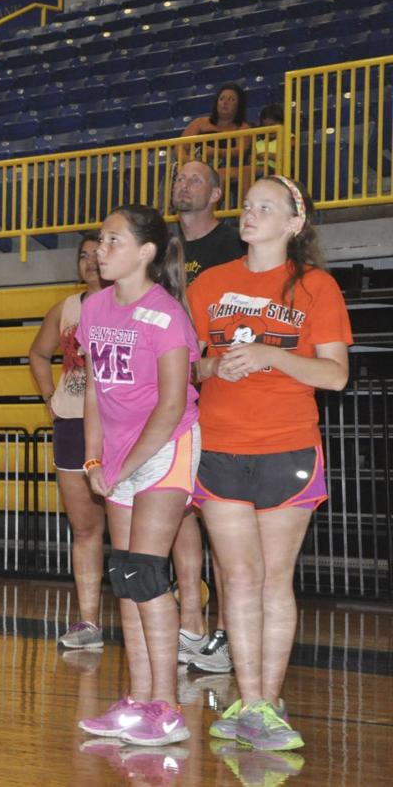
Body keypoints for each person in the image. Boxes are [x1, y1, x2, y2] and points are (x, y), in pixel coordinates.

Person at [189, 176, 351, 751]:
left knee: (272, 580)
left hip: (286, 446)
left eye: (266, 207)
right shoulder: (209, 283)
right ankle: (248, 698)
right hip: (220, 447)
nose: (250, 214)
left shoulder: (316, 287)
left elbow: (335, 374)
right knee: (237, 578)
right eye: (248, 205)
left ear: (293, 224)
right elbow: (188, 366)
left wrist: (268, 357)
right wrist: (214, 369)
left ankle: (265, 701)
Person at [75, 205, 201, 747]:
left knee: (147, 574)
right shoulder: (94, 308)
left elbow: (172, 405)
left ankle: (167, 707)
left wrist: (126, 465)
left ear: (146, 252)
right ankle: (137, 699)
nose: (101, 250)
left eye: (112, 241)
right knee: (125, 579)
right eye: (100, 240)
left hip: (165, 447)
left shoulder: (166, 314)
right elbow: (96, 395)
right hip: (119, 455)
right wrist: (95, 460)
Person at [170, 157, 245, 674]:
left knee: (222, 518)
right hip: (175, 383)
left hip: (219, 389)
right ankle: (192, 625)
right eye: (178, 177)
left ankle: (224, 631)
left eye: (195, 178)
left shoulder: (232, 246)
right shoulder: (164, 247)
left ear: (217, 194)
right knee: (178, 510)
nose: (183, 183)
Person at [28, 232, 108, 649]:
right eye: (84, 255)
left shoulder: (137, 304)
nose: (91, 261)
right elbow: (38, 353)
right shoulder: (67, 308)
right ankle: (88, 622)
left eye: (99, 253)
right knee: (84, 528)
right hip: (74, 421)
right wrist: (50, 398)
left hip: (122, 425)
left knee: (138, 532)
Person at [181, 83, 252, 190]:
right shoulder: (200, 122)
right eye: (221, 98)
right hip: (196, 162)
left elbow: (240, 150)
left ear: (239, 105)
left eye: (231, 99)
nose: (225, 102)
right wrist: (189, 161)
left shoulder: (243, 127)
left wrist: (216, 152)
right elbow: (180, 146)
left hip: (226, 168)